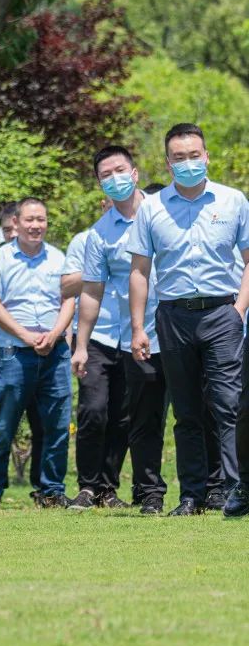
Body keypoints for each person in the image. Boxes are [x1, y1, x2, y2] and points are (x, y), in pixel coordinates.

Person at [126, 123, 249, 517]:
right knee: (187, 411)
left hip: (222, 313)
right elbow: (139, 270)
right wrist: (138, 327)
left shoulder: (233, 201)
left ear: (206, 156)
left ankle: (234, 490)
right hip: (173, 316)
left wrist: (238, 311)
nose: (188, 163)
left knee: (228, 405)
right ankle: (192, 495)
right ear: (168, 163)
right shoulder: (152, 207)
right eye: (179, 158)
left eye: (194, 155)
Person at [71, 146, 168, 515]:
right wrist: (81, 345)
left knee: (135, 416)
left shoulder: (163, 213)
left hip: (162, 330)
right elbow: (91, 291)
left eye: (120, 170)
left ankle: (117, 488)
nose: (115, 179)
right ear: (99, 184)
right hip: (112, 335)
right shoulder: (99, 233)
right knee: (95, 411)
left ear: (136, 173)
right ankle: (88, 486)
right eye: (106, 175)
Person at [0, 197, 76, 510]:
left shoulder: (59, 258)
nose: (36, 226)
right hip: (14, 352)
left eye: (41, 220)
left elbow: (69, 300)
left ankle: (52, 490)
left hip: (55, 351)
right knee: (3, 425)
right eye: (30, 220)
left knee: (57, 425)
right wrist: (26, 335)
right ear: (16, 223)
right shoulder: (0, 259)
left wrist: (55, 334)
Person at [62, 195, 132, 510]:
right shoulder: (86, 239)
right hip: (95, 336)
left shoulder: (143, 236)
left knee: (122, 416)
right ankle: (87, 486)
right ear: (103, 205)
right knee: (93, 410)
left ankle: (108, 488)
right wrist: (102, 263)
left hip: (130, 334)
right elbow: (67, 286)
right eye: (110, 202)